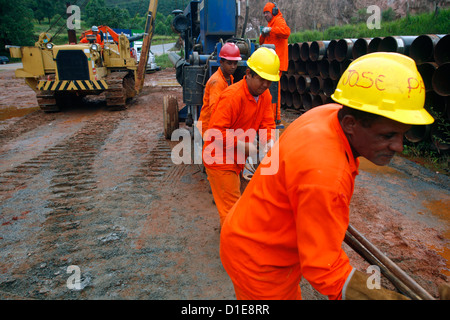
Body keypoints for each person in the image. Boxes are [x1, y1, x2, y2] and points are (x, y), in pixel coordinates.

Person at [219, 52, 435, 300]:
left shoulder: (329, 114)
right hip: (259, 262)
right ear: (352, 123)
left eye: (402, 135)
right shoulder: (326, 176)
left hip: (253, 233)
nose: (399, 146)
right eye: (387, 136)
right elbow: (324, 269)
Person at [202, 47, 279, 228]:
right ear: (248, 74)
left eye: (269, 81)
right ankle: (233, 248)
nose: (265, 85)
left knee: (235, 205)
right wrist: (243, 145)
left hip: (236, 158)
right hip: (219, 159)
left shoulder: (264, 95)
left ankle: (230, 234)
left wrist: (269, 142)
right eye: (261, 80)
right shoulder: (232, 97)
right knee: (233, 212)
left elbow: (267, 123)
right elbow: (215, 132)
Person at [197, 42, 242, 138]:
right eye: (229, 63)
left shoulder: (229, 78)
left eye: (235, 63)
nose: (233, 66)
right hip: (209, 128)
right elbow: (215, 110)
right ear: (221, 62)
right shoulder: (217, 81)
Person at [259, 2, 290, 124]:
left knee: (274, 90)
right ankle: (271, 116)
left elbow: (286, 32)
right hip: (271, 63)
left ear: (274, 11)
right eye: (264, 13)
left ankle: (275, 117)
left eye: (267, 12)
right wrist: (263, 33)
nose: (265, 15)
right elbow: (261, 41)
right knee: (270, 89)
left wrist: (271, 30)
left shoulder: (279, 21)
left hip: (277, 63)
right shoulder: (270, 24)